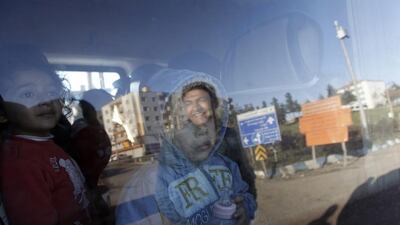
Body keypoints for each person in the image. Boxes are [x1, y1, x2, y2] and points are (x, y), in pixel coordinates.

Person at [0, 44, 91, 225]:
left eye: (51, 92)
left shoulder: (46, 145)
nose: (45, 100)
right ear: (2, 111)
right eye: (27, 93)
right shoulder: (20, 162)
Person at [153, 70, 256, 225]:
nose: (196, 107)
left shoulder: (230, 139)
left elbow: (247, 187)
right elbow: (165, 202)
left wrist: (245, 207)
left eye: (201, 100)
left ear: (214, 104)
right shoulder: (173, 152)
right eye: (188, 103)